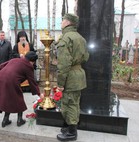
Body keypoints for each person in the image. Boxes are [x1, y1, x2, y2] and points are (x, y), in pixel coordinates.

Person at [56, 13, 89, 141]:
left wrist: (60, 84)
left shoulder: (65, 39)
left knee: (69, 104)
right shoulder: (81, 38)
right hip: (79, 74)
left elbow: (63, 65)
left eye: (63, 20)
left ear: (68, 22)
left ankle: (72, 133)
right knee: (74, 102)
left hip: (70, 76)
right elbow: (86, 57)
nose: (61, 22)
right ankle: (69, 127)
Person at [0, 51, 41, 128]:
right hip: (11, 81)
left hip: (0, 78)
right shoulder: (29, 66)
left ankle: (5, 120)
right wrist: (40, 94)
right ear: (32, 61)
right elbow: (32, 82)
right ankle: (19, 120)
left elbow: (1, 66)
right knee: (18, 99)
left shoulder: (15, 59)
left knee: (8, 99)